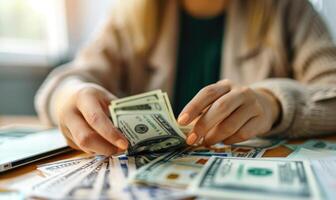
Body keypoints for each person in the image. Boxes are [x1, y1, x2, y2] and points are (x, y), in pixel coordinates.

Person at [35, 0, 336, 156]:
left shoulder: (290, 9)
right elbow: (66, 82)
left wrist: (274, 104)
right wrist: (69, 96)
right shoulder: (129, 16)